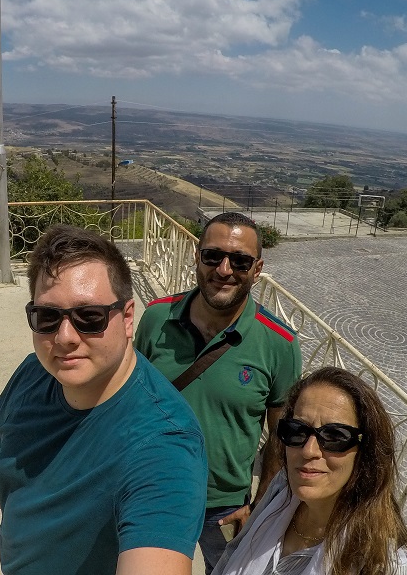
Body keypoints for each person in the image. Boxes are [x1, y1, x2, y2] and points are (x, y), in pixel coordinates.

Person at [0, 224, 208, 575]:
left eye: (89, 317)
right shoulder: (35, 374)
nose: (65, 337)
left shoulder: (163, 446)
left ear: (128, 317)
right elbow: (10, 449)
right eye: (47, 317)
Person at [134, 211, 302, 573]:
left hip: (224, 507)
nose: (224, 270)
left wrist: (259, 508)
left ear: (257, 270)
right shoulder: (156, 319)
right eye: (213, 256)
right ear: (197, 257)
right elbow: (130, 400)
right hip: (152, 487)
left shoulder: (279, 344)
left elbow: (281, 436)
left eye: (239, 261)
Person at [214, 366, 407, 575]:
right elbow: (232, 553)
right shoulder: (283, 486)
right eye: (296, 430)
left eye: (334, 437)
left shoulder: (384, 566)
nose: (308, 450)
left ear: (366, 452)